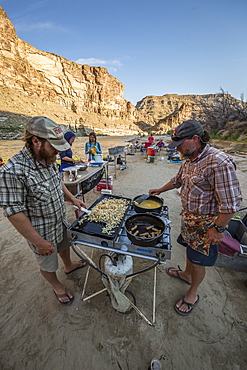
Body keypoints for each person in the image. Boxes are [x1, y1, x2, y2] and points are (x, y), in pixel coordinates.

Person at [149, 120, 242, 316]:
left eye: (180, 144)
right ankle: (186, 274)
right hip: (190, 218)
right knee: (190, 251)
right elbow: (178, 180)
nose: (178, 149)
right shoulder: (190, 158)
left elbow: (231, 203)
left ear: (195, 139)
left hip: (208, 224)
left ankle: (192, 293)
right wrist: (160, 190)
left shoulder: (219, 162)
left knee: (199, 260)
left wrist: (218, 229)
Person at [0, 116, 88, 305]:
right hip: (41, 231)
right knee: (47, 263)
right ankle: (57, 285)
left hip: (59, 220)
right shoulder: (12, 171)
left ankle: (68, 265)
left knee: (65, 245)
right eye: (54, 145)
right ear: (35, 141)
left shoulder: (48, 157)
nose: (58, 150)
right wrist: (38, 242)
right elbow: (14, 212)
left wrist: (73, 199)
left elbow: (57, 183)